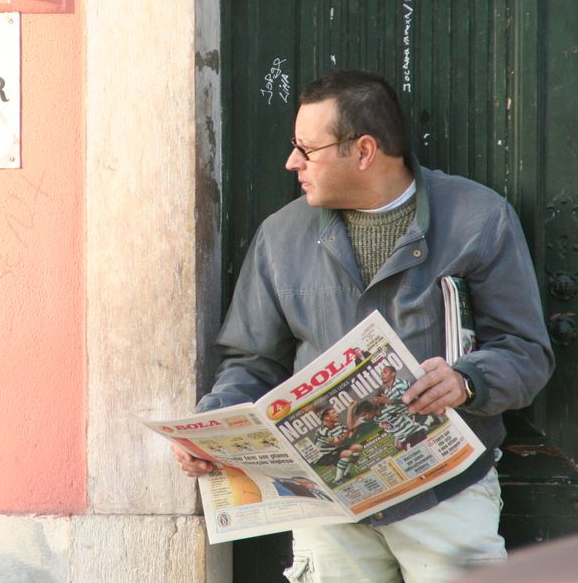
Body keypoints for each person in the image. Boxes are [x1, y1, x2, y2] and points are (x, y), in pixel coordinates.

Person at [172, 69, 554, 582]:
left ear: (364, 150)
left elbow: (526, 351)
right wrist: (211, 430)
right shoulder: (280, 237)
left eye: (307, 150)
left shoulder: (479, 219)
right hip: (326, 506)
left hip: (446, 494)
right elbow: (252, 361)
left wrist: (468, 381)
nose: (292, 163)